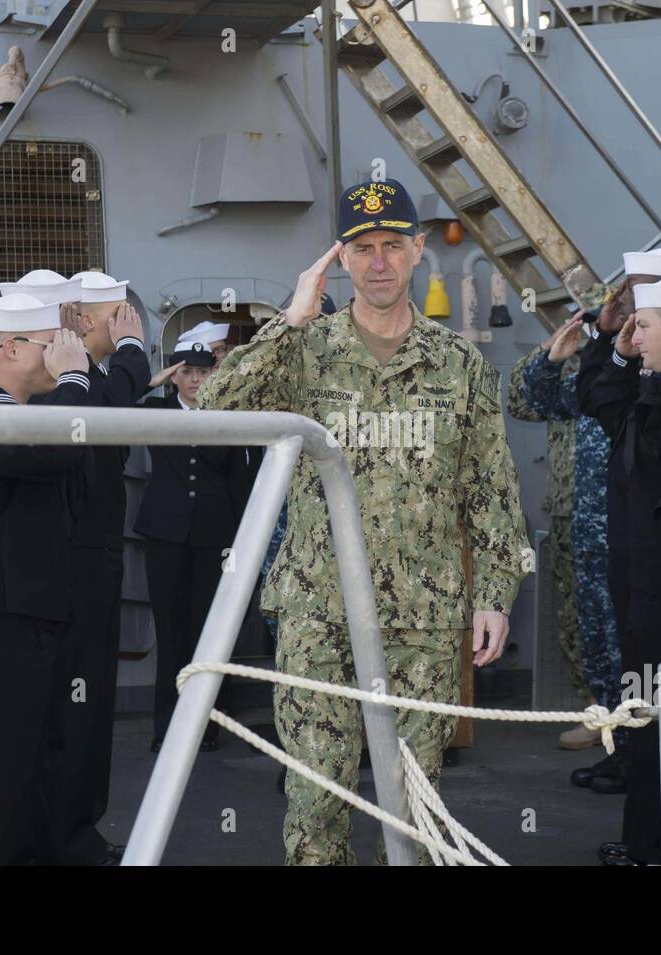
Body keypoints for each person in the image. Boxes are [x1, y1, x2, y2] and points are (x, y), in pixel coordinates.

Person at [199, 178, 529, 865]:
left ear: (416, 251)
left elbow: (491, 492)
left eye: (391, 246)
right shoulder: (305, 352)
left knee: (412, 808)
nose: (378, 262)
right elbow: (213, 410)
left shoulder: (460, 365)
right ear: (341, 260)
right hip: (320, 613)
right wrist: (290, 318)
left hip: (425, 620)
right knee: (316, 804)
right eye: (362, 248)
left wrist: (495, 594)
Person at [21, 269, 151, 865]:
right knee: (70, 708)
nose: (127, 322)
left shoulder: (86, 375)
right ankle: (64, 840)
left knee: (86, 706)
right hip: (70, 562)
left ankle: (77, 831)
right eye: (117, 315)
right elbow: (109, 419)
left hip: (90, 555)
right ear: (81, 318)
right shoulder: (59, 377)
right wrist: (132, 352)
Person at [575, 256, 661, 866]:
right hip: (637, 585)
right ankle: (645, 837)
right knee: (645, 718)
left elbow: (653, 436)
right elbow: (598, 398)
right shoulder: (646, 389)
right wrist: (618, 350)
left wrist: (657, 373)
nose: (632, 327)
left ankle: (659, 845)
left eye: (643, 321)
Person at [0, 292, 93, 864]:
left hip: (38, 611)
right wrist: (77, 380)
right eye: (53, 345)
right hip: (4, 617)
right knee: (9, 763)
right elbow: (53, 453)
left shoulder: (23, 413)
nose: (64, 353)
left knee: (42, 755)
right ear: (12, 349)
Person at [136, 340, 251, 755]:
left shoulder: (228, 415)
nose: (195, 381)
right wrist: (152, 381)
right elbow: (114, 406)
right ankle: (168, 727)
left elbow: (240, 483)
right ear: (174, 375)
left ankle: (208, 724)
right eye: (186, 372)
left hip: (213, 537)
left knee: (210, 631)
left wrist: (241, 542)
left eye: (203, 372)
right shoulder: (156, 412)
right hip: (165, 536)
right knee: (171, 632)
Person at [507, 340, 584, 745]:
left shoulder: (625, 369)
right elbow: (519, 402)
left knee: (613, 619)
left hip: (614, 511)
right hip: (566, 508)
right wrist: (548, 354)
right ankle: (598, 709)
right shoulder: (563, 374)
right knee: (572, 617)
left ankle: (622, 716)